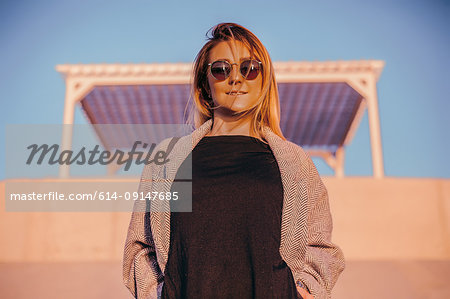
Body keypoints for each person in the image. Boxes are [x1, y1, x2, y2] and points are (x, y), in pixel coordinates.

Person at [123, 22, 345, 299]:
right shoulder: (167, 160)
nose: (236, 79)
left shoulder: (294, 162)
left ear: (264, 79)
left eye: (249, 68)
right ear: (206, 84)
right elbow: (140, 247)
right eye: (221, 69)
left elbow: (320, 246)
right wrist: (157, 293)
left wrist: (306, 292)